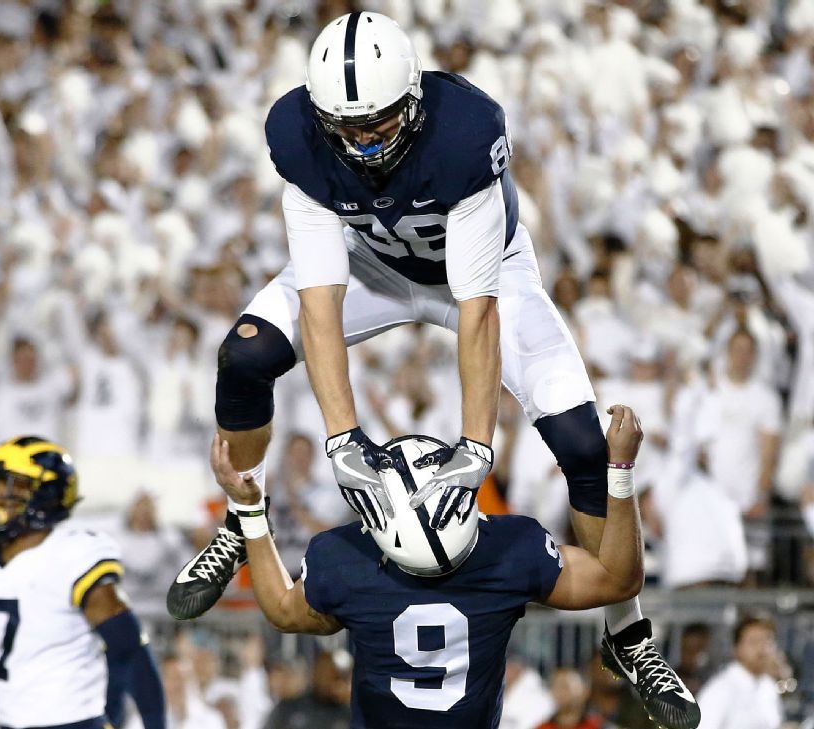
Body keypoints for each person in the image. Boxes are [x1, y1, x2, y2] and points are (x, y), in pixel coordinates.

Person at [167, 11, 697, 728]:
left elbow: (476, 311)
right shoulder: (299, 140)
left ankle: (626, 635)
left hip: (481, 280)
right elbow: (320, 307)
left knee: (583, 446)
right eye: (346, 128)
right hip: (369, 270)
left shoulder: (463, 135)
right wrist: (342, 439)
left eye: (378, 124)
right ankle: (239, 519)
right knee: (245, 355)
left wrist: (476, 449)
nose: (362, 142)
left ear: (414, 102)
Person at [210, 404, 686, 729]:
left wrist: (250, 510)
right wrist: (619, 471)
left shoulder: (345, 557)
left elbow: (279, 607)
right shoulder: (509, 547)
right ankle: (631, 644)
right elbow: (619, 579)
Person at [0, 436, 166, 729]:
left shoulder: (73, 554)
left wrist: (155, 723)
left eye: (13, 488)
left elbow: (130, 650)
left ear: (48, 495)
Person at [696, 614, 788, 729]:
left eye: (767, 641)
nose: (761, 649)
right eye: (754, 642)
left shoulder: (768, 687)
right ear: (736, 648)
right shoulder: (721, 689)